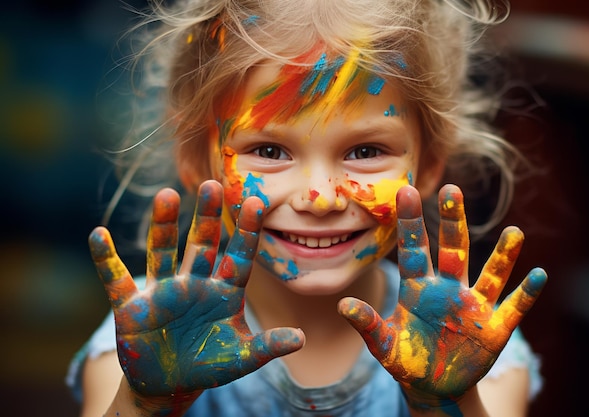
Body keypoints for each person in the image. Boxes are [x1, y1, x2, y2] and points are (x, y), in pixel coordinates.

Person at [66, 0, 548, 416]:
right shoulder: (144, 337)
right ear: (195, 158)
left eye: (365, 151)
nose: (320, 198)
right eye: (271, 151)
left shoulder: (474, 350)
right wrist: (144, 403)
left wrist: (446, 403)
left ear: (426, 168)